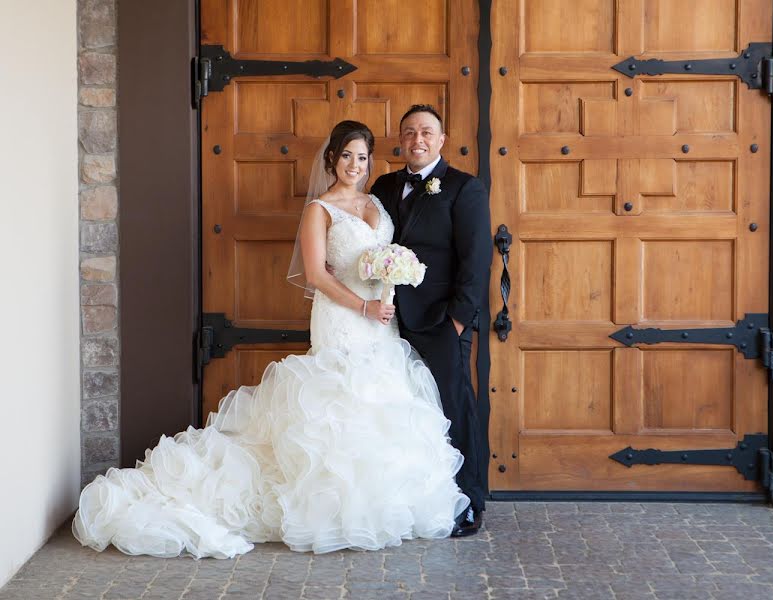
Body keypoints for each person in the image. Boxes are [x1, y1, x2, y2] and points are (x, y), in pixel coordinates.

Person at [71, 120, 469, 559]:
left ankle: (385, 505)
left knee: (383, 404)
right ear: (331, 160)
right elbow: (317, 274)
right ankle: (331, 509)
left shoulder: (378, 199)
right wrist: (362, 306)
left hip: (382, 322)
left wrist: (390, 283)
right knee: (338, 409)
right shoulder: (321, 208)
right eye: (347, 156)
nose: (355, 165)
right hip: (344, 317)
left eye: (362, 157)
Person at [370, 105, 492, 537]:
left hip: (440, 320)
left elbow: (476, 261)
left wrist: (458, 322)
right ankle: (410, 501)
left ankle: (470, 502)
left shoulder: (464, 188)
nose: (417, 140)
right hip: (385, 321)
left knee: (453, 407)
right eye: (408, 133)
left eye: (426, 132)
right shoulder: (383, 186)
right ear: (400, 140)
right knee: (399, 410)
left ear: (441, 140)